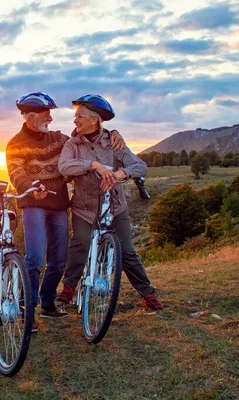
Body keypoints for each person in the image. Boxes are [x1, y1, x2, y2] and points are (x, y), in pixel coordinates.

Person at [6, 92, 126, 332]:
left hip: (59, 204)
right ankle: (25, 313)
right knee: (35, 259)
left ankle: (47, 304)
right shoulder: (15, 144)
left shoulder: (59, 139)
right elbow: (16, 173)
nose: (51, 118)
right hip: (34, 205)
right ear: (31, 118)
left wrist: (112, 133)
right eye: (46, 114)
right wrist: (31, 187)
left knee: (58, 260)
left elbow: (85, 137)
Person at [56, 94, 163, 311]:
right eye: (75, 116)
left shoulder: (114, 141)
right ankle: (69, 288)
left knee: (126, 251)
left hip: (114, 207)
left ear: (95, 120)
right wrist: (93, 164)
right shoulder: (72, 143)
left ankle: (148, 293)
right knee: (81, 244)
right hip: (84, 208)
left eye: (80, 116)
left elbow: (140, 166)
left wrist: (121, 173)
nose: (75, 121)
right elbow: (64, 167)